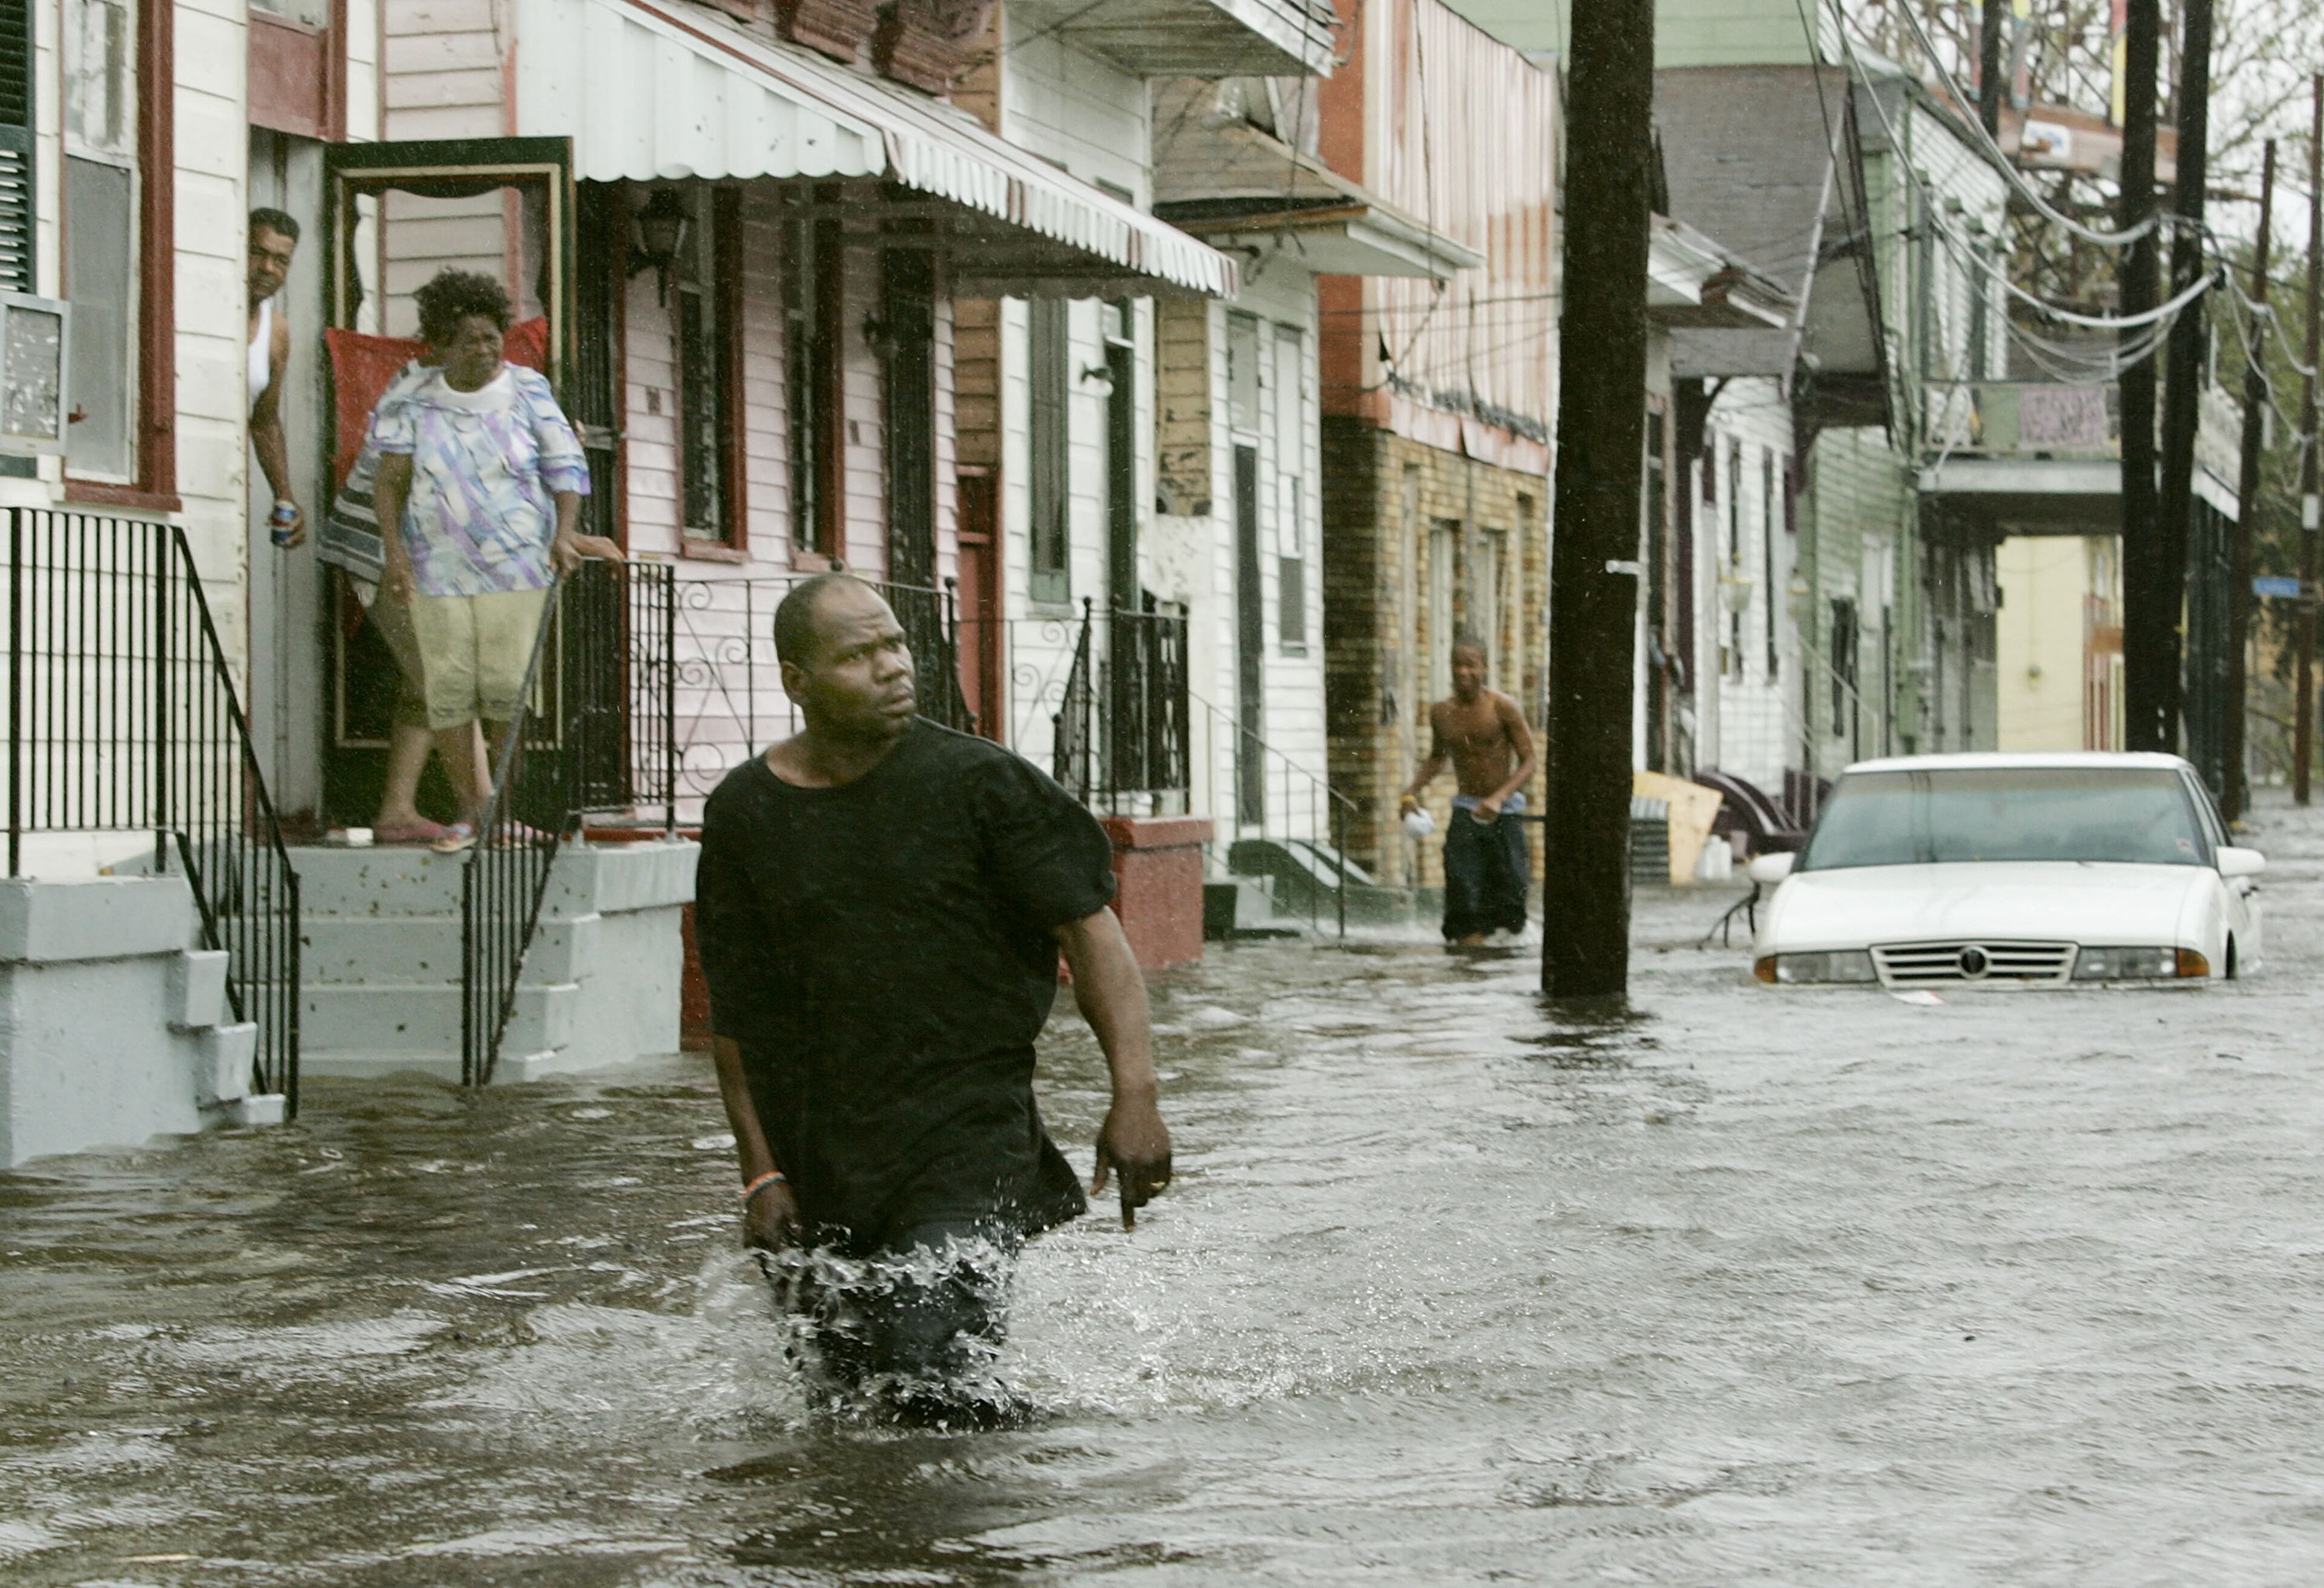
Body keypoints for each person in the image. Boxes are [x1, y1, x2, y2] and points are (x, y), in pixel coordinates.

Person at [694, 574, 1172, 1422]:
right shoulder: (744, 814)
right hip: (820, 1149)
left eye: (895, 645)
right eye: (857, 655)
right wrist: (759, 1169)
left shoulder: (984, 785)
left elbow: (1095, 941)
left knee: (926, 1360)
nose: (891, 668)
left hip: (966, 1136)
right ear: (797, 679)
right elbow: (736, 1011)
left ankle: (991, 1537)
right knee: (844, 1401)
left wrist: (1134, 1097)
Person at [367, 269, 619, 853]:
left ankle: (501, 810)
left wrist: (566, 535)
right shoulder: (411, 392)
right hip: (437, 566)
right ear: (441, 344)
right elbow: (390, 482)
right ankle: (471, 811)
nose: (483, 350)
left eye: (490, 336)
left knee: (507, 689)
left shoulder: (529, 390)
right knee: (451, 690)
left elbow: (566, 469)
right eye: (467, 339)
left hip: (516, 565)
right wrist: (396, 556)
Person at [326, 344, 481, 845]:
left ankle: (397, 811)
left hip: (409, 554)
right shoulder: (425, 395)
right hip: (381, 549)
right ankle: (482, 809)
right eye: (471, 338)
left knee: (428, 677)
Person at [1400, 637, 1538, 945]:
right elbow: (1437, 758)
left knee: (1511, 904)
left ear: (1484, 668)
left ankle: (1504, 960)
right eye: (1457, 665)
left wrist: (1499, 797)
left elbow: (1530, 761)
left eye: (1471, 665)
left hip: (1505, 812)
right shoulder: (1441, 713)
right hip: (1466, 810)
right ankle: (1469, 964)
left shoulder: (1503, 707)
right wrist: (1409, 794)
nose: (1463, 671)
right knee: (1463, 898)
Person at [248, 208, 305, 547]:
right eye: (258, 253)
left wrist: (285, 497)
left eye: (281, 261)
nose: (268, 268)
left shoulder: (277, 330)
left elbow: (264, 421)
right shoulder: (204, 307)